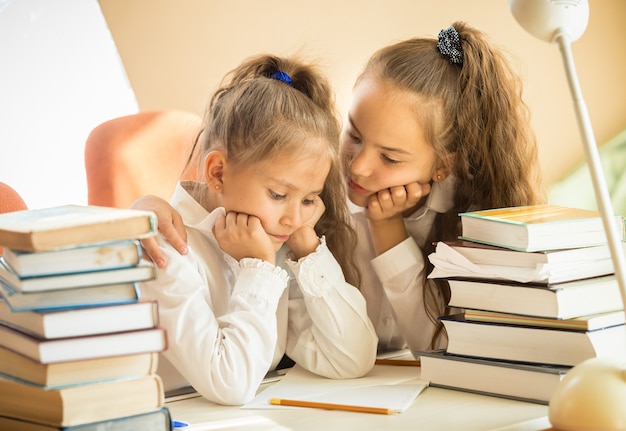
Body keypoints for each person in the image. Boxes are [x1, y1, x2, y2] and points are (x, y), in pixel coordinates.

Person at [134, 22, 544, 356]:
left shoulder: (466, 215)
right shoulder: (307, 193)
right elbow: (219, 211)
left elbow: (439, 347)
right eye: (355, 134)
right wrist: (146, 205)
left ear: (442, 166)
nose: (359, 166)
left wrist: (388, 231)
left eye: (391, 158)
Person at [138, 54, 378, 406]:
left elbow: (352, 359)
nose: (294, 217)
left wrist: (307, 248)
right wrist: (258, 270)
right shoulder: (168, 245)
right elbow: (229, 384)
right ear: (218, 172)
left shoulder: (276, 241)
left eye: (310, 199)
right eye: (279, 194)